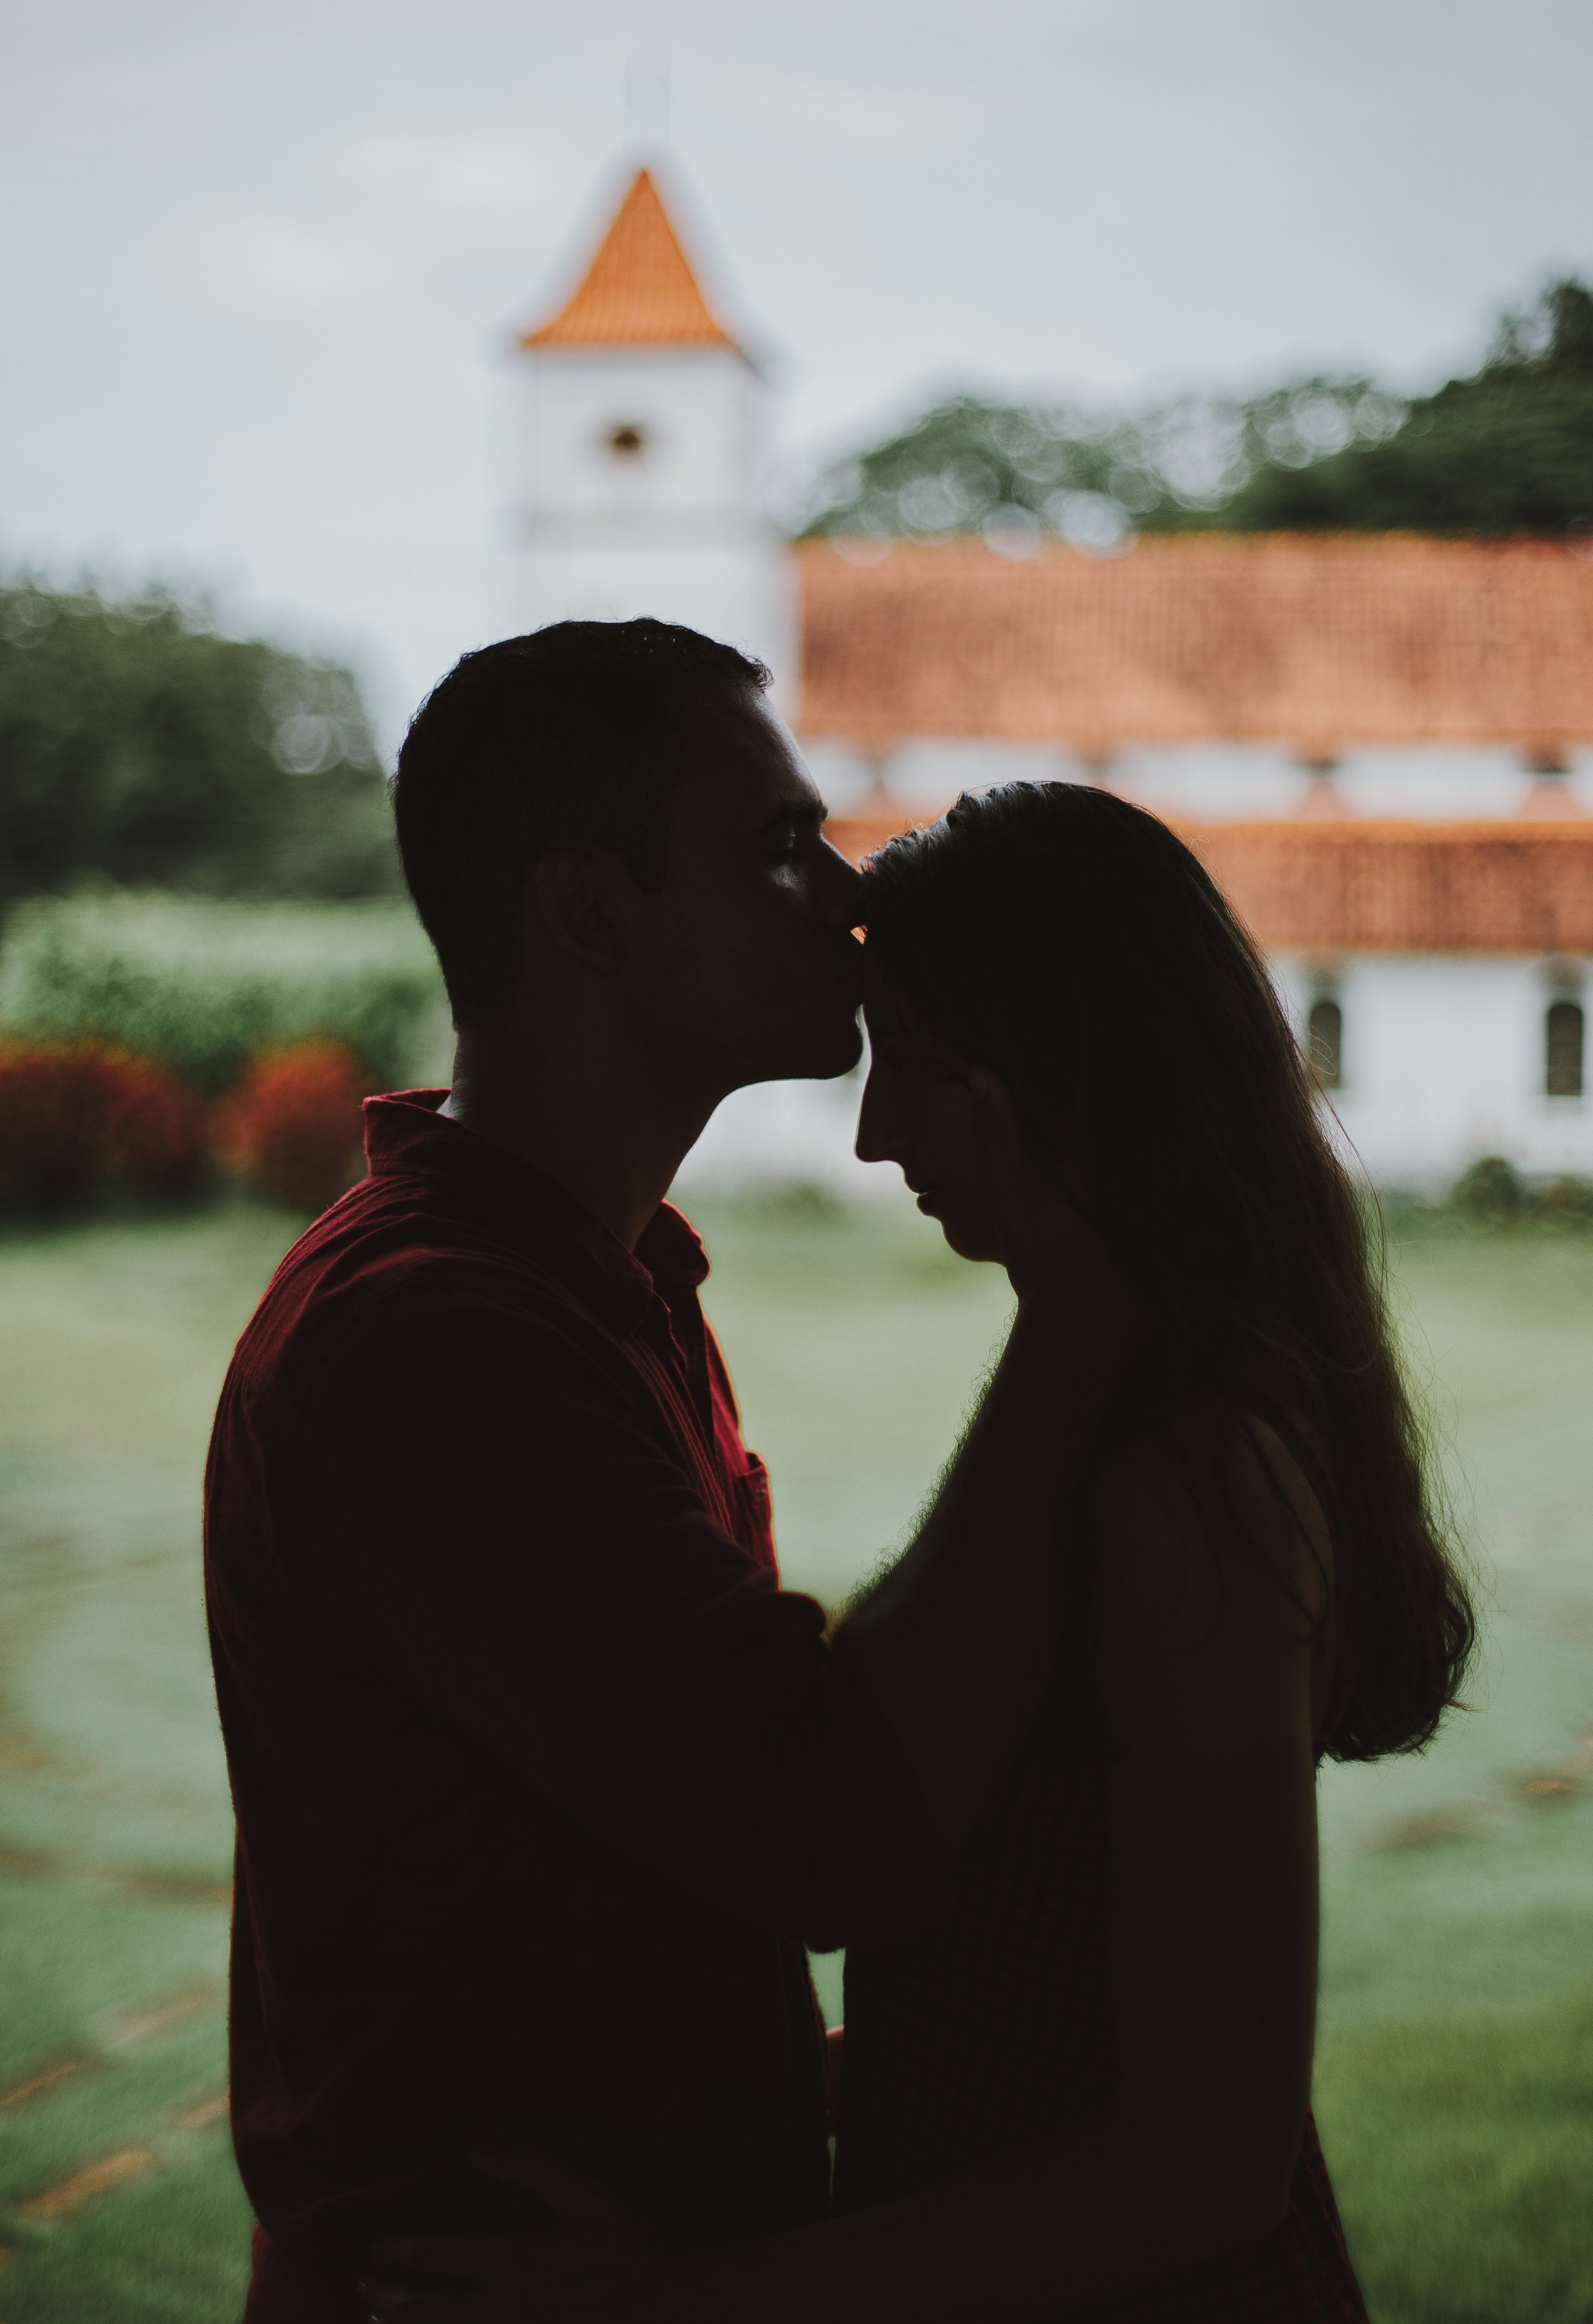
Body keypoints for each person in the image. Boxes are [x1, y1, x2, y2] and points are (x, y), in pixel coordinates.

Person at [363, 783, 1475, 2323]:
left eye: (924, 1072)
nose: (880, 1133)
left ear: (1060, 1084)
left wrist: (664, 2305)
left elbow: (1201, 2154)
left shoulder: (1188, 1478)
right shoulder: (1099, 1419)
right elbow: (1011, 2026)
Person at [204, 632, 1141, 2323]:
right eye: (777, 845)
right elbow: (829, 1831)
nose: (849, 892)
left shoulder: (591, 1281)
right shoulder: (438, 1345)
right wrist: (1082, 1317)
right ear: (590, 910)